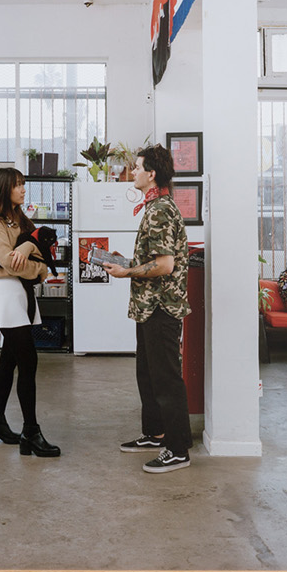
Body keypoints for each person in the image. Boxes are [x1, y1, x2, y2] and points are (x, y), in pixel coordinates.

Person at [104, 144, 192, 474]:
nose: (133, 173)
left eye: (138, 168)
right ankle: (156, 434)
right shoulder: (153, 207)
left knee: (166, 378)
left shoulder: (161, 211)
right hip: (147, 307)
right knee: (148, 374)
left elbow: (165, 265)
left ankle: (178, 448)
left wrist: (127, 271)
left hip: (162, 308)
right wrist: (123, 263)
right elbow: (151, 261)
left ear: (151, 174)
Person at [0, 167, 59, 458]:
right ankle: (31, 433)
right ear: (3, 188)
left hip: (21, 294)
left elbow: (43, 256)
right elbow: (12, 264)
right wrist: (34, 263)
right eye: (18, 185)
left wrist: (30, 254)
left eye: (24, 184)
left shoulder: (19, 219)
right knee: (28, 359)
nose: (24, 190)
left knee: (8, 360)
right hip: (7, 295)